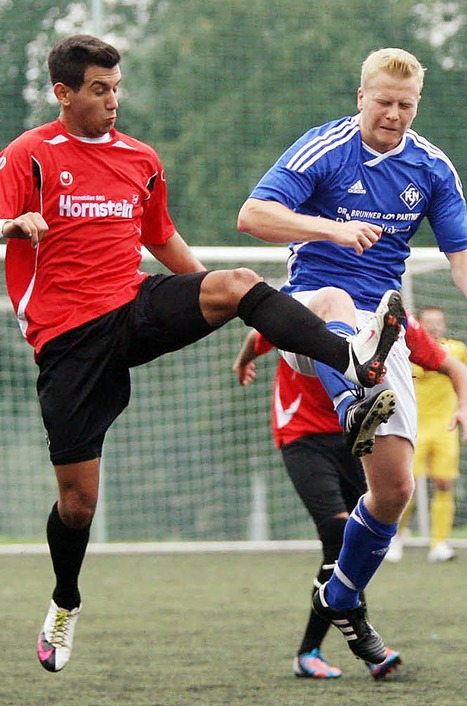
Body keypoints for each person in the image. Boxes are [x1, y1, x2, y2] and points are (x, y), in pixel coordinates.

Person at [0, 35, 404, 673]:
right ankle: (65, 601)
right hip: (68, 341)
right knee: (78, 504)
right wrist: (11, 226)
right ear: (64, 93)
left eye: (117, 87)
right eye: (99, 90)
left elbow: (160, 236)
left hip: (132, 307)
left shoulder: (141, 159)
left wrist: (222, 300)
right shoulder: (30, 156)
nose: (113, 100)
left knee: (240, 281)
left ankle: (352, 361)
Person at [237, 47, 467, 666]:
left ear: (417, 105)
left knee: (392, 493)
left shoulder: (432, 167)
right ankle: (353, 395)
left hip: (381, 324)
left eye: (405, 105)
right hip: (307, 310)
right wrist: (330, 228)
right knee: (335, 298)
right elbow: (252, 215)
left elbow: (460, 245)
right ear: (361, 96)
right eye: (382, 101)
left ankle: (342, 591)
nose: (392, 114)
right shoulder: (323, 148)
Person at [233, 312, 467, 679]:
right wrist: (243, 362)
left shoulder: (391, 318)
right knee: (337, 534)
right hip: (302, 434)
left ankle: (316, 651)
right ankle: (346, 648)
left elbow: (452, 366)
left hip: (358, 434)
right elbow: (259, 335)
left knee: (359, 537)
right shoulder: (304, 305)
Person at [389, 306, 467, 564]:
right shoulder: (406, 350)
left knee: (444, 483)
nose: (434, 327)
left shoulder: (457, 351)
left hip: (445, 427)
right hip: (414, 427)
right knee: (407, 487)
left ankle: (439, 543)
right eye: (428, 322)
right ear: (419, 324)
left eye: (438, 322)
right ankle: (395, 538)